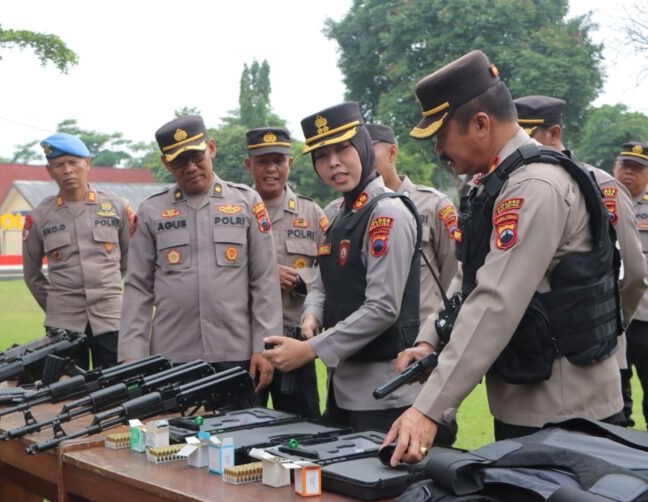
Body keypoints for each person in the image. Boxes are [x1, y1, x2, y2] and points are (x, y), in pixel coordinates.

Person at [383, 50, 623, 466]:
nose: (439, 148)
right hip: (528, 400)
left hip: (562, 414)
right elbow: (471, 276)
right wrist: (430, 339)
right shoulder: (497, 183)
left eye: (442, 135)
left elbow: (496, 302)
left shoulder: (533, 186)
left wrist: (427, 408)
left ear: (480, 124)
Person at [262, 102, 424, 433]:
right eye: (322, 155)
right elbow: (322, 282)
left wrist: (310, 350)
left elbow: (383, 307)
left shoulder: (387, 214)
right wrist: (311, 314)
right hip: (344, 387)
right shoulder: (339, 214)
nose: (333, 163)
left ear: (363, 146)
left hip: (383, 393)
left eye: (342, 149)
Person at [118, 115, 281, 393]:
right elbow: (138, 288)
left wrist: (263, 348)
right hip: (172, 356)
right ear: (166, 163)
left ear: (212, 148)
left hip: (236, 353)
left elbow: (264, 280)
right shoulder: (151, 211)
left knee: (240, 433)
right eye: (180, 161)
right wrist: (131, 355)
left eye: (196, 156)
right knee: (175, 435)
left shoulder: (246, 202)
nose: (191, 167)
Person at [514, 97, 648, 426]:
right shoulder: (506, 187)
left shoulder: (601, 187)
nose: (518, 144)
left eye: (528, 135)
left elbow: (634, 275)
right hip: (537, 358)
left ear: (555, 132)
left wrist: (610, 324)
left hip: (608, 338)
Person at [22, 133, 134, 370]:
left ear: (88, 163)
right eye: (59, 165)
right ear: (49, 170)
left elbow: (129, 259)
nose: (68, 170)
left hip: (111, 319)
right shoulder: (39, 217)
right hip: (64, 323)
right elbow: (32, 274)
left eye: (74, 162)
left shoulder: (117, 207)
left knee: (116, 389)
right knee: (68, 394)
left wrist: (106, 290)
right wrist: (57, 305)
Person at [244, 126, 326, 418]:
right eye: (263, 161)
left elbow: (331, 273)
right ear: (249, 165)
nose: (271, 169)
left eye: (278, 161)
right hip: (246, 342)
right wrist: (263, 275)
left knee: (303, 430)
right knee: (243, 430)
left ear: (290, 164)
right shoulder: (234, 211)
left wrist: (300, 280)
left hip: (295, 342)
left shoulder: (311, 213)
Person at [367, 123, 460, 324]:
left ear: (392, 153)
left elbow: (453, 274)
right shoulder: (347, 212)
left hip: (422, 334)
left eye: (368, 150)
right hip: (369, 340)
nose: (361, 158)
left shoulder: (433, 204)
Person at [613, 141, 648, 426]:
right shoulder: (599, 200)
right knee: (616, 400)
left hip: (647, 319)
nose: (629, 173)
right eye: (625, 166)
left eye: (637, 168)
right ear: (615, 167)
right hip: (614, 318)